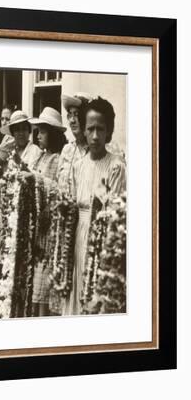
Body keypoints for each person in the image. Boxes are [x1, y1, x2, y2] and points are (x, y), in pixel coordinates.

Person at [63, 97, 126, 316]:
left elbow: (114, 213)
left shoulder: (116, 167)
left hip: (103, 239)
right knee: (77, 292)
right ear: (84, 130)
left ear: (109, 131)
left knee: (96, 296)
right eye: (90, 129)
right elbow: (70, 205)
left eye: (101, 129)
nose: (96, 136)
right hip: (77, 237)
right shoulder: (78, 166)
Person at [27, 107, 67, 317]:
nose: (39, 135)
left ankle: (43, 316)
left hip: (49, 223)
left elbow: (57, 188)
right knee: (35, 276)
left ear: (52, 134)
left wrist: (33, 178)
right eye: (38, 131)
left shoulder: (58, 159)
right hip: (37, 222)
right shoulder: (40, 157)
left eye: (42, 131)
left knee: (44, 278)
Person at [57, 93, 91, 193]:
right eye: (69, 115)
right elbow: (57, 183)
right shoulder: (67, 150)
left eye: (76, 115)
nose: (72, 120)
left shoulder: (97, 150)